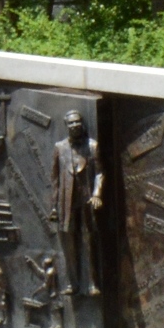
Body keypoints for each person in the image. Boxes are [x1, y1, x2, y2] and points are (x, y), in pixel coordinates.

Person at [49, 110, 103, 297]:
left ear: (82, 124)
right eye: (71, 123)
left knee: (89, 241)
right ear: (67, 126)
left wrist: (97, 193)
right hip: (67, 203)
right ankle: (73, 283)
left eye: (77, 122)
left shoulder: (93, 146)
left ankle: (93, 283)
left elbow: (99, 173)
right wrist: (54, 207)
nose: (74, 126)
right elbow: (55, 179)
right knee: (70, 244)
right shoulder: (59, 147)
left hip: (86, 201)